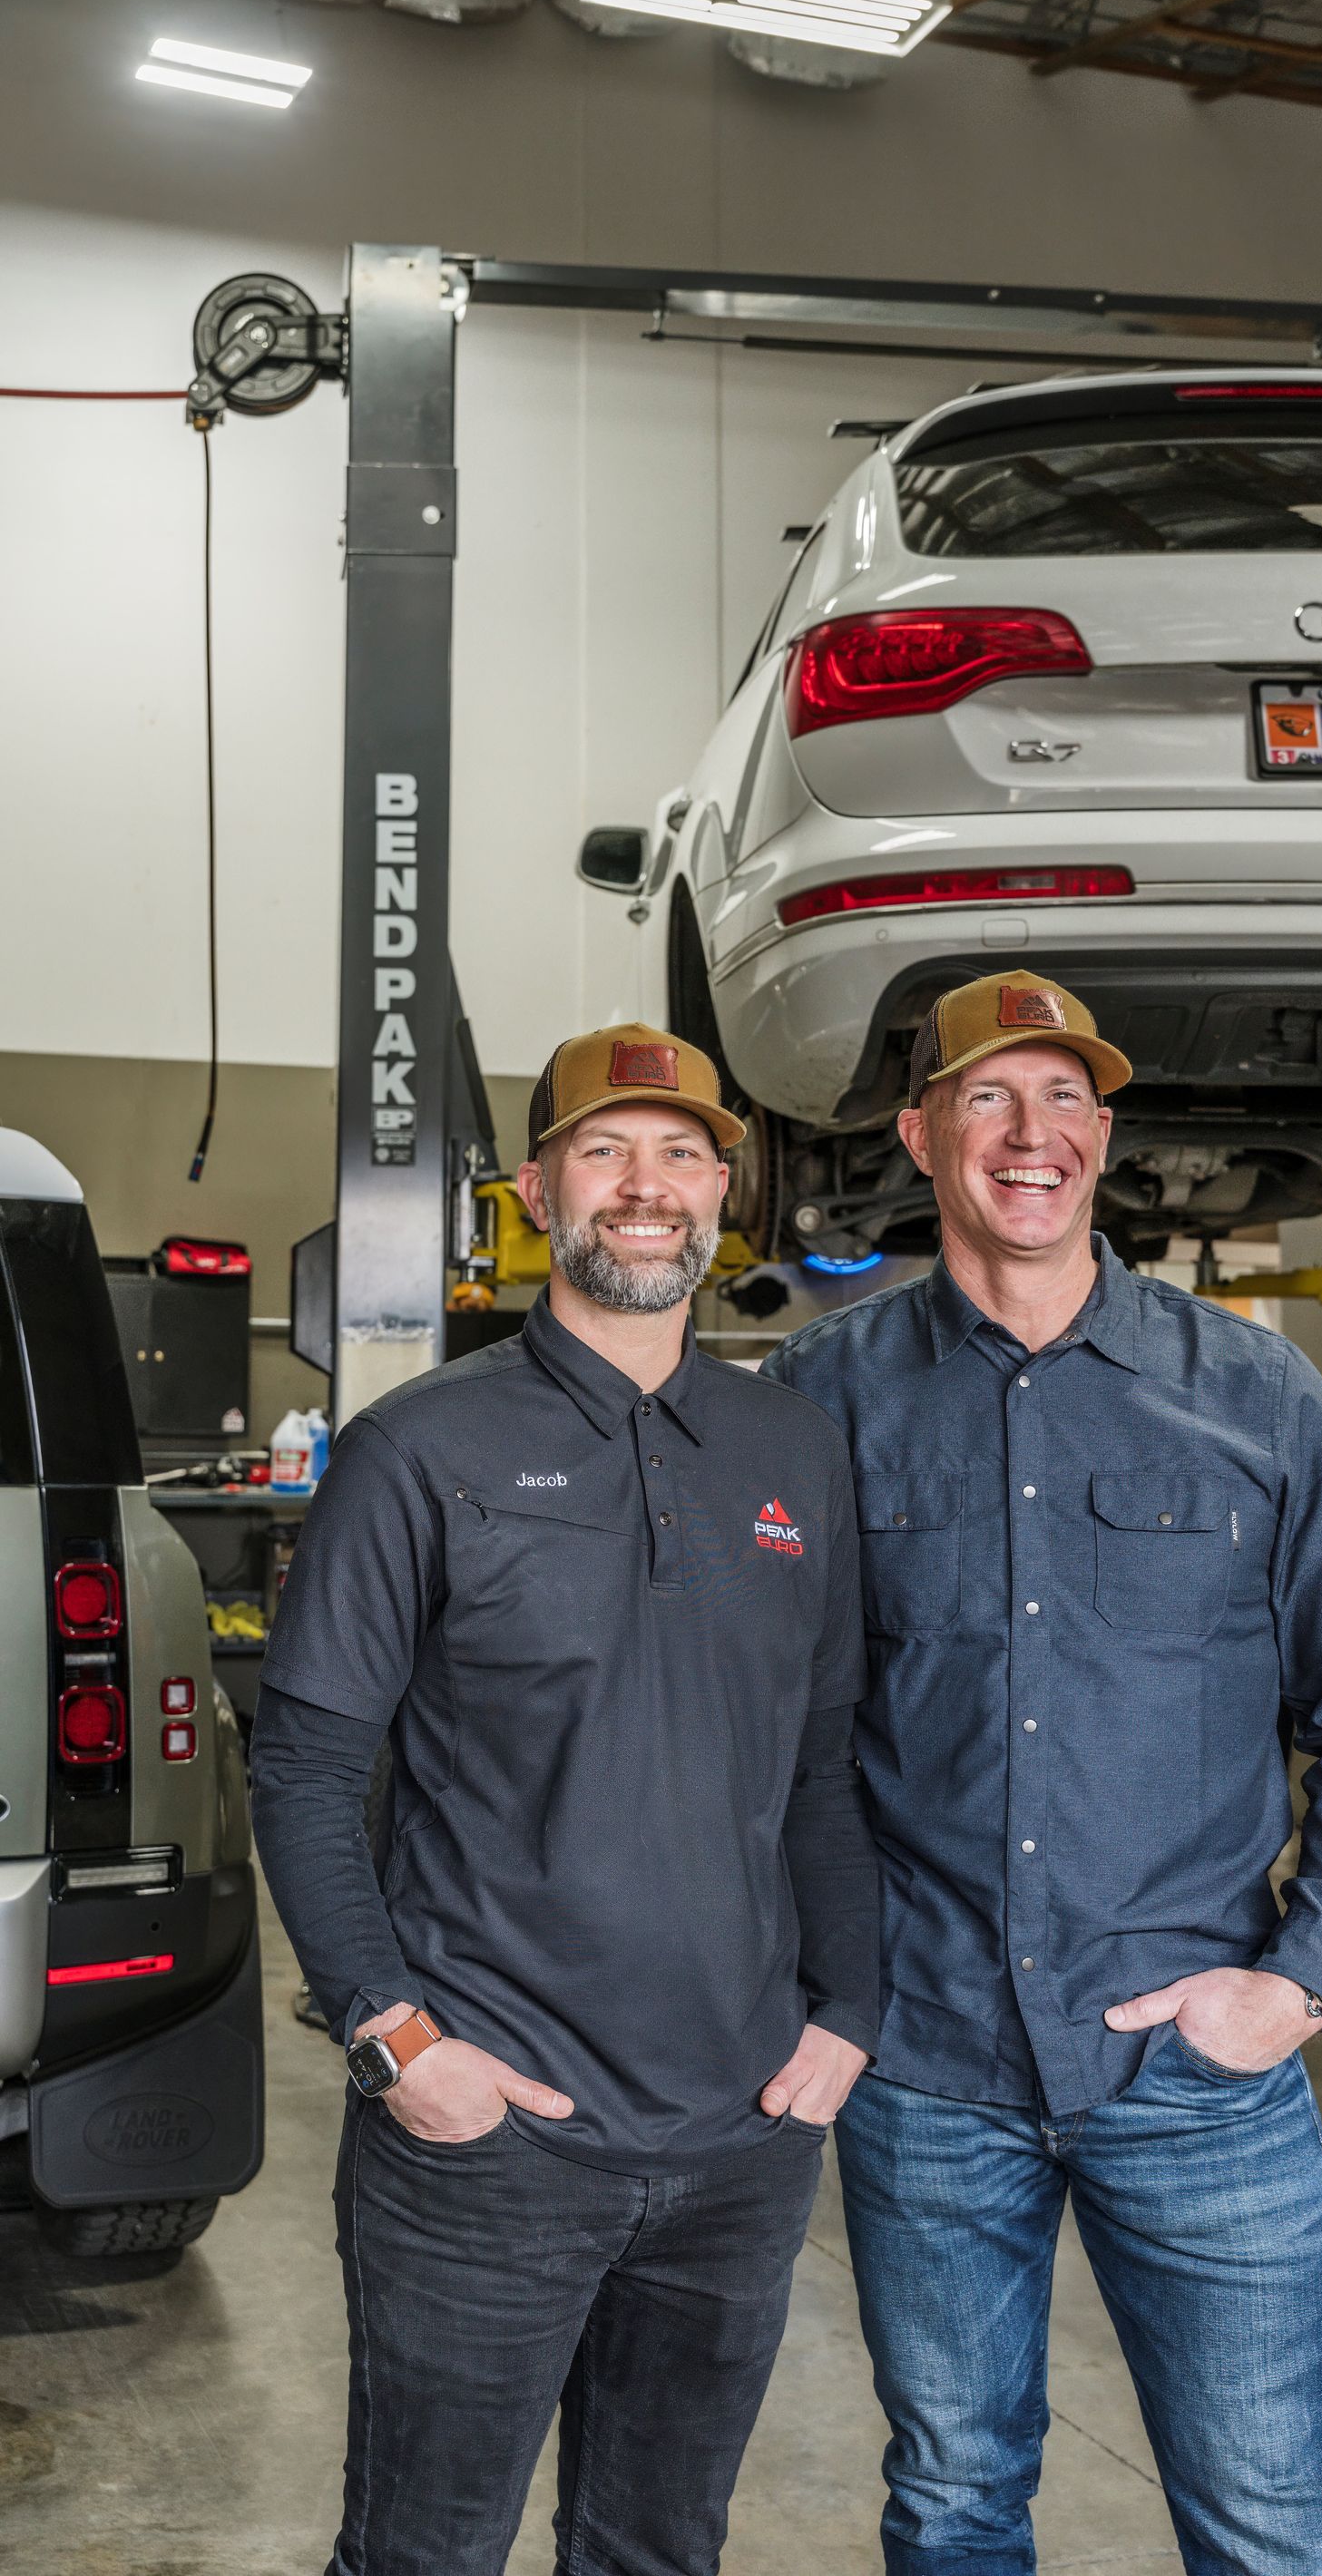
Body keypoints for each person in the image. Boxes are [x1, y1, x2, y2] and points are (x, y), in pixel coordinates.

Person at [762, 969, 1322, 2576]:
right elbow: (758, 1729)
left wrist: (1298, 1981)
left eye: (1066, 1098)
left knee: (1273, 2529)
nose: (1032, 1133)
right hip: (924, 2068)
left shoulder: (1257, 1396)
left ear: (1102, 1137)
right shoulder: (820, 1402)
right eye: (991, 1098)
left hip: (1192, 2072)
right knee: (950, 2507)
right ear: (926, 1133)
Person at [250, 1022, 880, 2576]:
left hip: (739, 2140)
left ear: (723, 1194)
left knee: (660, 2551)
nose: (645, 1186)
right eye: (606, 1151)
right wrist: (396, 2037)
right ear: (540, 1190)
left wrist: (847, 2010)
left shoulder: (795, 1447)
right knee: (423, 2554)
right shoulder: (421, 1449)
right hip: (490, 2146)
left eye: (682, 1155)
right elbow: (309, 1767)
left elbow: (820, 1758)